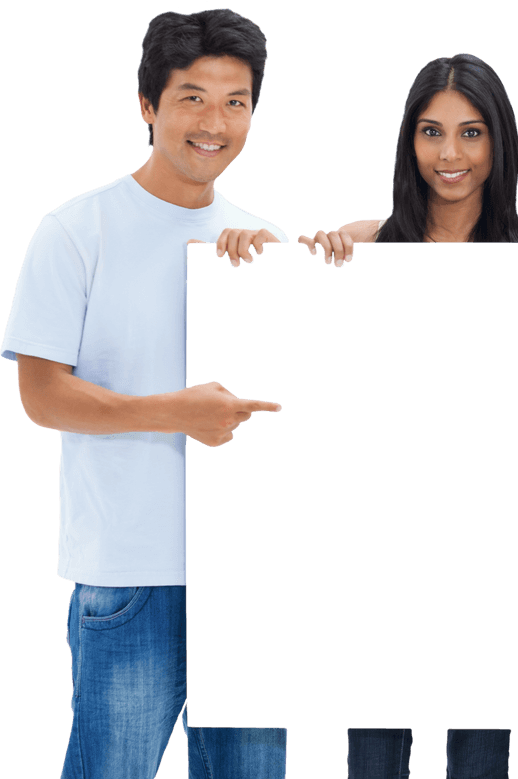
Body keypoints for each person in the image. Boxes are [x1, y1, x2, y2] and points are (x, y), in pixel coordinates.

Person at [0, 9, 287, 777]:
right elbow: (40, 395)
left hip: (255, 575)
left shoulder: (264, 243)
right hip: (131, 575)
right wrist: (174, 412)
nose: (215, 122)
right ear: (147, 104)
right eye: (192, 97)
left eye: (236, 101)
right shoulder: (76, 229)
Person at [298, 53, 518, 267]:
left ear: (498, 143)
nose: (449, 153)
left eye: (471, 133)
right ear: (410, 141)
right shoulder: (360, 244)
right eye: (432, 131)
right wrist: (309, 266)